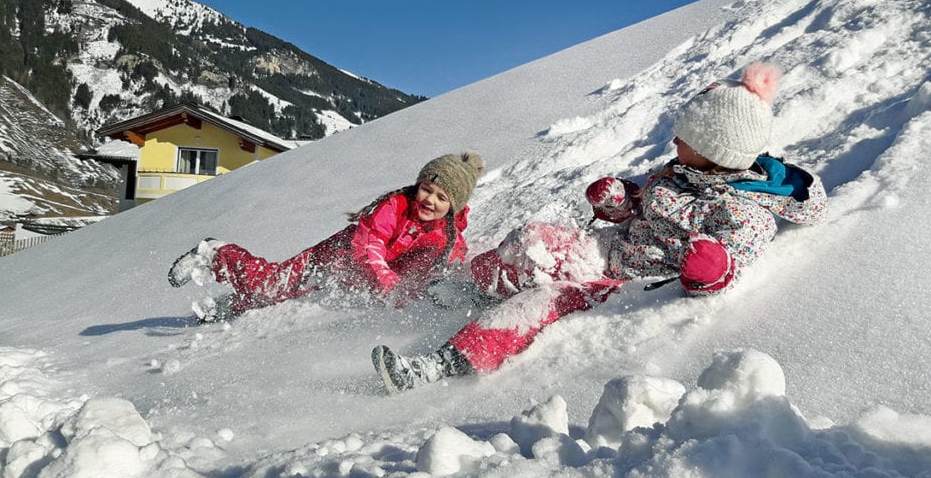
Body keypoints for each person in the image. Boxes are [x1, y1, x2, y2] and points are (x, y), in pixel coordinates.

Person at [372, 63, 828, 393]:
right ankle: (477, 286)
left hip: (623, 283)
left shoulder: (747, 212)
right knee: (535, 239)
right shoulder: (680, 171)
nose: (674, 140)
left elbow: (735, 258)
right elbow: (638, 205)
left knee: (540, 302)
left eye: (685, 136)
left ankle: (438, 364)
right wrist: (618, 201)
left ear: (715, 149)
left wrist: (711, 269)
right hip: (610, 247)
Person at [167, 151, 485, 323]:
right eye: (427, 189)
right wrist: (390, 286)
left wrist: (449, 283)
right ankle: (214, 252)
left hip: (355, 278)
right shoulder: (396, 205)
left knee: (269, 299)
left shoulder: (444, 234)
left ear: (453, 205)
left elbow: (447, 258)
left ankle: (226, 309)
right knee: (268, 285)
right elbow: (369, 245)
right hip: (329, 259)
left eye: (441, 197)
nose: (430, 200)